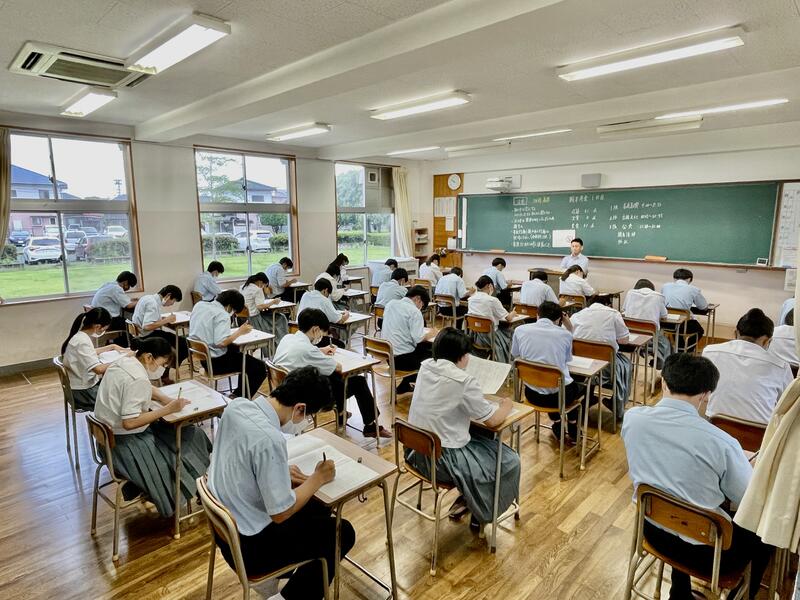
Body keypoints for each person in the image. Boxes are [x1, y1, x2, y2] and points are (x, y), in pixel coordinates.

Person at [621, 353, 773, 600]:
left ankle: (679, 592)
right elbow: (748, 501)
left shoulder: (633, 418)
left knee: (679, 499)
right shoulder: (722, 443)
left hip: (651, 530)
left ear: (663, 383)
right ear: (706, 394)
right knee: (766, 534)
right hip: (709, 555)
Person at [207, 367, 352, 600]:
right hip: (250, 548)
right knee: (342, 532)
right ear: (300, 408)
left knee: (319, 509)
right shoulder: (270, 439)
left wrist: (275, 472)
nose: (305, 422)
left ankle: (288, 578)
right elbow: (281, 513)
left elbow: (240, 460)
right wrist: (317, 478)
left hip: (226, 530)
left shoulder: (237, 406)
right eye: (309, 417)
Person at [406, 328, 519, 530]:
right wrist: (507, 405)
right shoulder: (463, 381)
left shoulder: (426, 366)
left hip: (416, 450)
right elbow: (493, 421)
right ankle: (480, 510)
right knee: (509, 460)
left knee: (481, 436)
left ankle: (470, 499)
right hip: (442, 461)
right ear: (462, 356)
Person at [93, 336, 212, 517]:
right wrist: (167, 409)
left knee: (190, 433)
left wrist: (166, 399)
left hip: (108, 440)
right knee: (188, 438)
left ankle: (199, 486)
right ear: (149, 357)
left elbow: (146, 387)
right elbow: (130, 422)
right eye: (162, 364)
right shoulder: (137, 378)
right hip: (126, 445)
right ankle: (198, 488)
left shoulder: (124, 362)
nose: (162, 369)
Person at [274, 309, 391, 438]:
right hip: (304, 398)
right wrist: (321, 355)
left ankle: (341, 413)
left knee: (331, 377)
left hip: (285, 390)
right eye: (321, 333)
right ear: (315, 329)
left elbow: (306, 352)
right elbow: (338, 367)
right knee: (357, 381)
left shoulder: (288, 338)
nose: (321, 337)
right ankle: (369, 425)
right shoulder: (308, 350)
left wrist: (320, 351)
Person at [703, 308, 793, 423]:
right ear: (767, 341)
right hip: (759, 431)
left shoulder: (709, 352)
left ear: (735, 333)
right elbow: (788, 404)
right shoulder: (781, 366)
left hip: (714, 424)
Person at [511, 301, 580, 443]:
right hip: (560, 398)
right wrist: (569, 327)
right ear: (559, 319)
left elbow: (515, 354)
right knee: (575, 385)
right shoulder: (564, 334)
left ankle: (557, 423)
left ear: (537, 315)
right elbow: (567, 359)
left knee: (549, 381)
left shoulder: (520, 330)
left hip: (531, 393)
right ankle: (573, 424)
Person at [189, 290, 267, 398]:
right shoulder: (222, 314)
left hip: (202, 358)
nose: (232, 313)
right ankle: (238, 397)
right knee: (259, 367)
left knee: (240, 354)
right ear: (229, 306)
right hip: (215, 363)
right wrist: (239, 332)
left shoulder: (199, 305)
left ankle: (238, 393)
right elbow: (221, 343)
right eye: (233, 310)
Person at [571, 295, 630, 421]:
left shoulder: (576, 315)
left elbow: (566, 336)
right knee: (626, 364)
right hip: (606, 369)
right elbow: (624, 340)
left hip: (580, 367)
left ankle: (588, 396)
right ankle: (616, 403)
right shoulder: (613, 314)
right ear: (607, 305)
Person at [61, 307, 126, 410]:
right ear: (97, 326)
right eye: (104, 329)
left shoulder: (79, 336)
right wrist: (123, 358)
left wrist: (111, 347)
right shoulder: (82, 341)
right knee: (122, 396)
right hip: (83, 393)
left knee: (118, 387)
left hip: (80, 387)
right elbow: (98, 370)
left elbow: (88, 353)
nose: (104, 331)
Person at [382, 285, 439, 395]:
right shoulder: (414, 311)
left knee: (423, 348)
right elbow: (418, 338)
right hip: (404, 361)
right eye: (422, 305)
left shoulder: (390, 304)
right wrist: (432, 333)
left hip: (388, 356)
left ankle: (404, 385)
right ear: (418, 299)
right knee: (436, 355)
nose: (420, 309)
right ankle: (427, 391)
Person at [132, 284, 187, 384]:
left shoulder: (147, 298)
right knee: (183, 343)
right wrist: (166, 320)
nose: (172, 304)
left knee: (178, 340)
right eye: (173, 301)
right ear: (168, 296)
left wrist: (161, 320)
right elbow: (147, 326)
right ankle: (166, 372)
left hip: (140, 334)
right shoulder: (152, 303)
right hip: (147, 335)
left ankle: (166, 372)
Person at [467, 275, 518, 363]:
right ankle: (510, 360)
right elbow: (508, 318)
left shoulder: (471, 299)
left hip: (474, 335)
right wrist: (513, 313)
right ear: (489, 286)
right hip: (490, 336)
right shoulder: (493, 300)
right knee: (512, 331)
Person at [622, 278, 672, 368]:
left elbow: (624, 311)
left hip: (631, 334)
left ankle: (644, 350)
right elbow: (664, 316)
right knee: (665, 342)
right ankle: (661, 362)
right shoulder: (658, 297)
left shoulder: (630, 293)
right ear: (652, 288)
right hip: (650, 335)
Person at [298, 279, 350, 347]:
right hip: (314, 337)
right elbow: (339, 320)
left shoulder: (305, 295)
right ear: (325, 290)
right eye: (328, 294)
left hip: (300, 332)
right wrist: (347, 314)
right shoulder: (324, 300)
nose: (327, 296)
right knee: (341, 345)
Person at [91, 271, 139, 339]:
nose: (128, 289)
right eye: (129, 286)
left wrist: (132, 300)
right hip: (107, 321)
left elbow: (122, 300)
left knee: (124, 321)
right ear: (125, 282)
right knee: (131, 324)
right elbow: (128, 305)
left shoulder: (108, 285)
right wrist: (141, 301)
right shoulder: (117, 288)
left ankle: (119, 341)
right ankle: (132, 343)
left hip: (97, 319)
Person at [661, 268, 708, 339]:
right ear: (689, 279)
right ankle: (685, 346)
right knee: (700, 331)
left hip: (665, 323)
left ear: (674, 278)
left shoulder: (665, 286)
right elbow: (703, 307)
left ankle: (679, 345)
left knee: (677, 329)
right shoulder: (693, 289)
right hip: (683, 325)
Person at [241, 272, 288, 341]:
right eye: (264, 286)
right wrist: (273, 302)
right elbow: (260, 307)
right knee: (281, 318)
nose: (263, 287)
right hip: (254, 319)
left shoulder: (243, 287)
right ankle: (282, 340)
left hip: (244, 318)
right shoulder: (257, 289)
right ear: (260, 282)